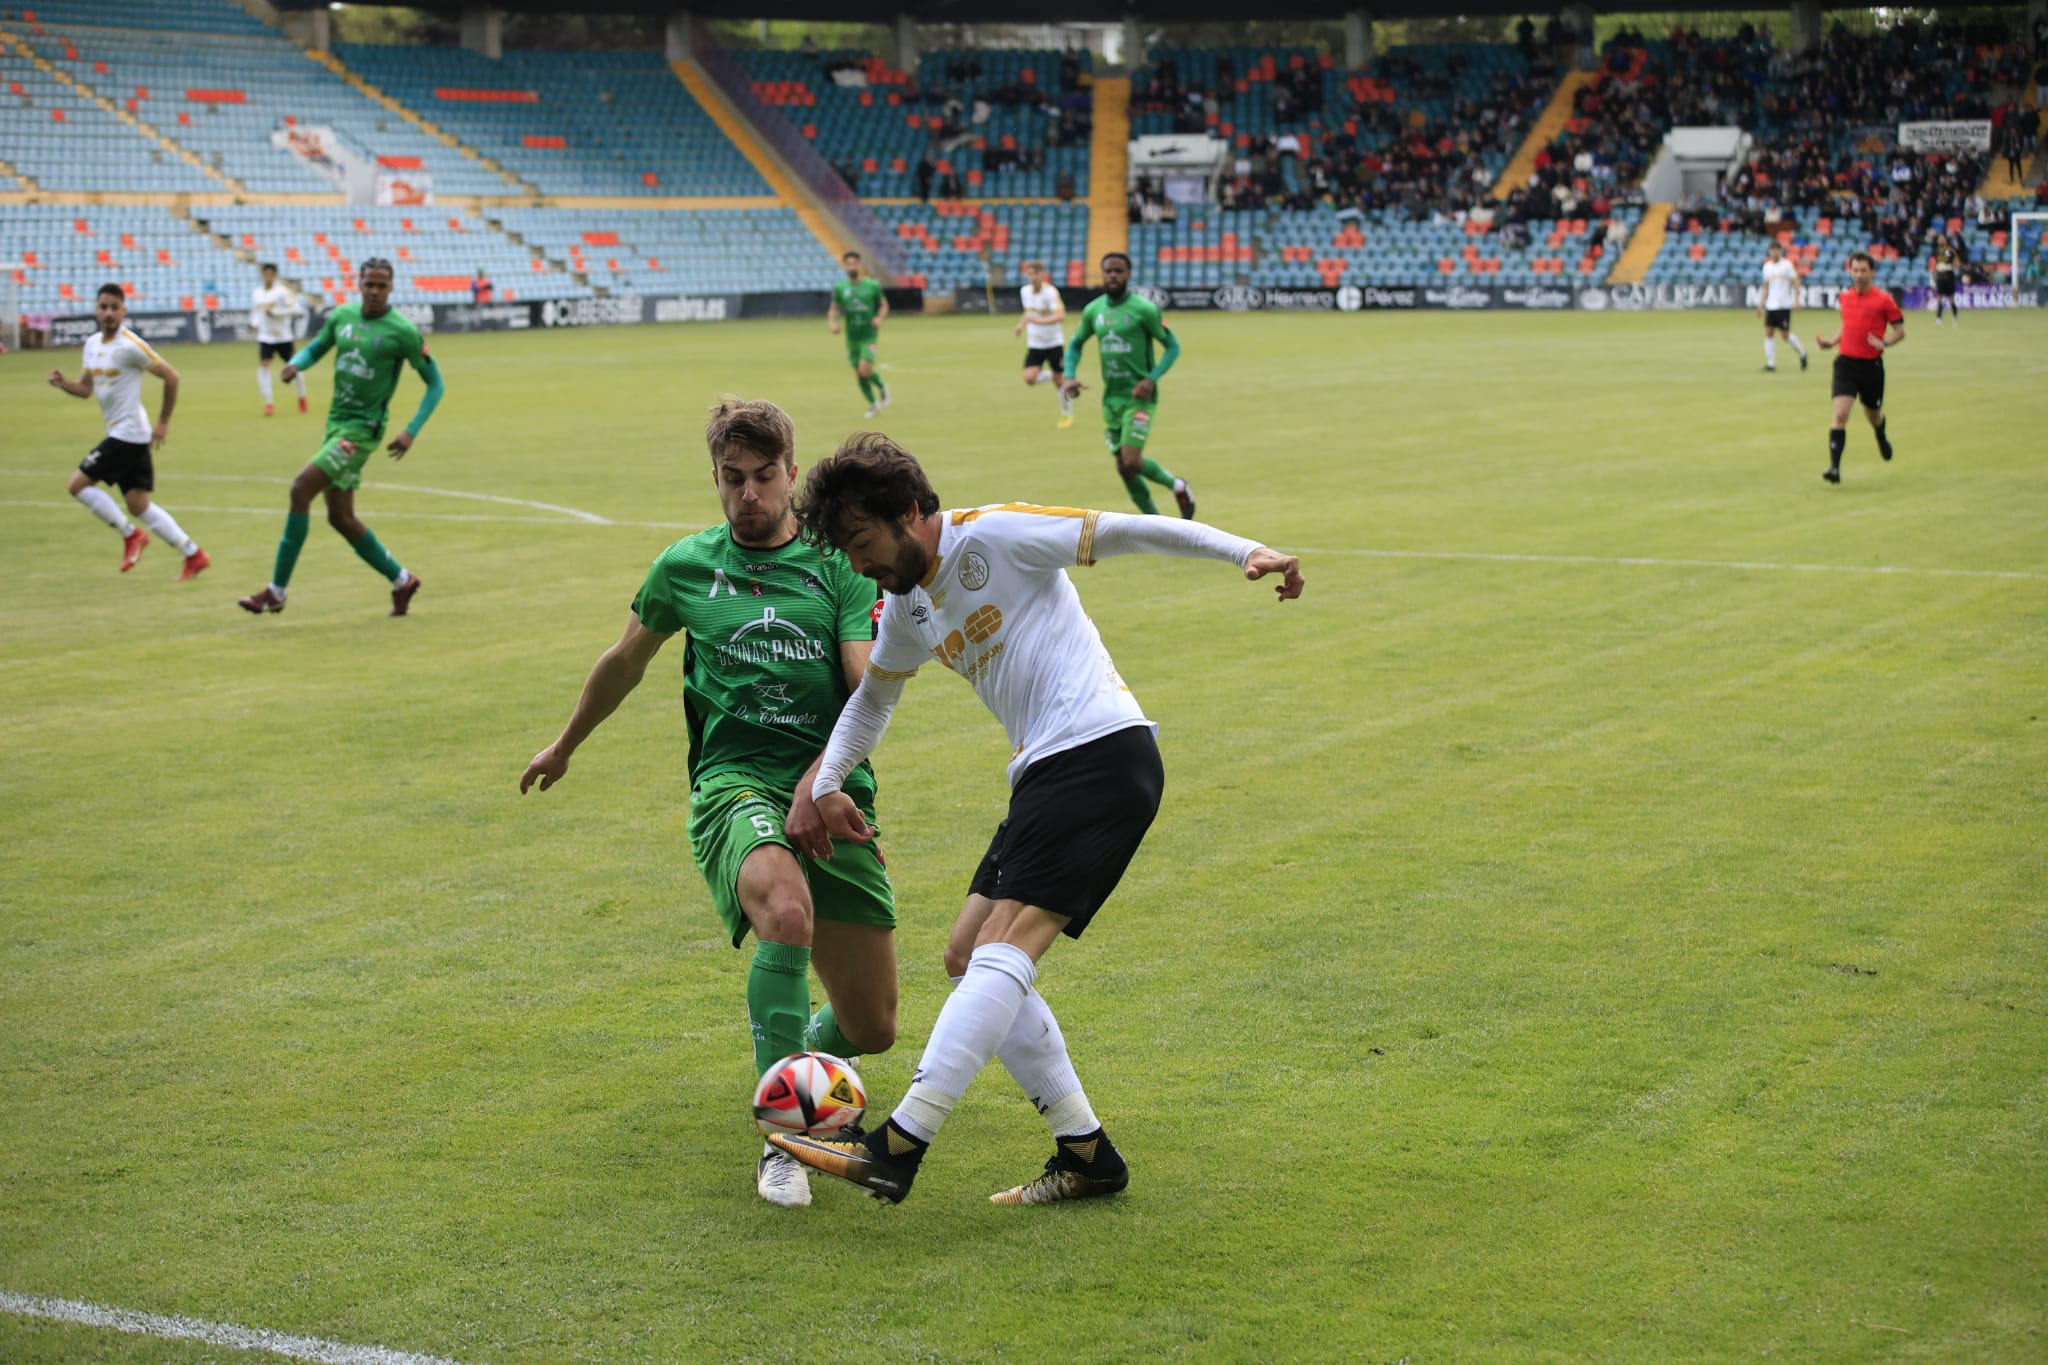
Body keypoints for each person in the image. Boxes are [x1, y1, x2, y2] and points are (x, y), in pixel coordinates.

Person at [765, 435, 1302, 1206]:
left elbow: (1124, 529)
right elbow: (873, 700)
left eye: (861, 543)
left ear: (911, 513)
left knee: (1003, 946)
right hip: (1046, 773)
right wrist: (823, 785)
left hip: (1100, 751)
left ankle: (898, 1144)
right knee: (964, 954)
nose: (857, 566)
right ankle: (1087, 1153)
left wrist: (1244, 551)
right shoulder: (908, 604)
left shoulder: (995, 533)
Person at [522, 398, 898, 1209]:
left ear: (793, 475)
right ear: (716, 479)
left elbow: (865, 681)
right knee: (785, 909)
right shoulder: (685, 566)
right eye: (733, 479)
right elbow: (623, 661)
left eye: (766, 477)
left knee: (872, 1027)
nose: (750, 494)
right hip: (734, 785)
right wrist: (565, 744)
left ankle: (805, 1056)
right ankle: (787, 1136)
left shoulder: (837, 566)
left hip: (833, 788)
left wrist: (818, 783)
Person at [237, 258, 443, 616]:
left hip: (362, 433)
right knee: (341, 518)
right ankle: (402, 580)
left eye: (382, 285)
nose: (375, 291)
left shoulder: (402, 332)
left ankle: (276, 591)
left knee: (301, 488)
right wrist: (297, 363)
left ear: (391, 288)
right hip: (336, 426)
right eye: (369, 284)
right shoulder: (342, 317)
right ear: (359, 284)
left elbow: (435, 384)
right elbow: (318, 347)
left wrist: (411, 431)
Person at [48, 284, 210, 579]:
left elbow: (172, 376)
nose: (108, 313)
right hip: (127, 435)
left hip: (128, 434)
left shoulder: (130, 345)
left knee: (77, 485)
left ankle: (130, 535)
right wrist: (64, 384)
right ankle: (194, 554)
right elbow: (85, 389)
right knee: (138, 505)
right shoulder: (92, 344)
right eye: (103, 307)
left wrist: (163, 422)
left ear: (124, 311)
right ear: (96, 310)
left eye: (114, 307)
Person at [1060, 252, 1193, 518]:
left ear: (1128, 274)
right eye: (1108, 271)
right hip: (1112, 399)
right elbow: (1075, 344)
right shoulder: (1094, 310)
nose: (1113, 276)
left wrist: (1150, 379)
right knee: (1123, 467)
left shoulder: (1144, 309)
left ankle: (1177, 486)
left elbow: (1172, 347)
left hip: (1139, 396)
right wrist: (1069, 375)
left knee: (1131, 460)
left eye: (1119, 271)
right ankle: (1155, 522)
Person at [1815, 250, 1904, 485]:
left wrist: (1884, 342)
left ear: (1872, 272)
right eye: (1855, 270)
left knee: (1873, 415)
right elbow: (1847, 325)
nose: (1859, 275)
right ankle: (1834, 468)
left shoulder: (1884, 300)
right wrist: (1832, 342)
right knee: (1840, 414)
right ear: (1849, 271)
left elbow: (1900, 331)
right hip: (1846, 363)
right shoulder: (1845, 297)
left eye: (1863, 270)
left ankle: (1880, 435)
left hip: (1871, 366)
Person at [827, 251, 890, 417]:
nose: (852, 266)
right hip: (852, 337)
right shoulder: (841, 288)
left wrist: (879, 319)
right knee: (859, 373)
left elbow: (884, 305)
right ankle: (873, 404)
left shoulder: (872, 285)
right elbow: (834, 308)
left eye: (854, 263)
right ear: (845, 266)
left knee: (864, 370)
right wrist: (832, 323)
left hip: (868, 335)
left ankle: (882, 386)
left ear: (860, 265)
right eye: (848, 263)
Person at [1014, 259, 1074, 428]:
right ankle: (1051, 375)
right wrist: (1021, 325)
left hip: (1053, 343)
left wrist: (1037, 321)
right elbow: (1028, 313)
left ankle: (1067, 414)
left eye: (1035, 274)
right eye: (1029, 274)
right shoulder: (1024, 291)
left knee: (1060, 382)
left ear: (1042, 274)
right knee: (1029, 378)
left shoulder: (1050, 292)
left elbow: (1061, 316)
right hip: (1035, 344)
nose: (1032, 277)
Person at [251, 262, 307, 416]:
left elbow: (297, 310)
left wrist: (276, 312)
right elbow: (256, 311)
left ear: (275, 275)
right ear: (262, 275)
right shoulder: (257, 293)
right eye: (265, 274)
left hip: (283, 337)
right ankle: (269, 403)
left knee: (294, 368)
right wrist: (254, 323)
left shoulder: (283, 292)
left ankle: (301, 397)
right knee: (264, 365)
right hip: (265, 337)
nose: (268, 277)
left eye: (271, 274)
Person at [1756, 240, 1808, 372]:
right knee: (1769, 332)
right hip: (1770, 305)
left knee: (1784, 335)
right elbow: (1766, 287)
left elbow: (1795, 282)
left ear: (1780, 251)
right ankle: (1771, 364)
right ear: (1769, 251)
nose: (1774, 252)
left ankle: (1802, 352)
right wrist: (1761, 304)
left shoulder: (1787, 265)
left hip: (1784, 304)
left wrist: (1796, 300)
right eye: (1772, 250)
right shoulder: (1766, 267)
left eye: (1776, 250)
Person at [1929, 232, 1961, 325]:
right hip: (1940, 277)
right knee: (1939, 298)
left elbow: (1957, 263)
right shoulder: (1936, 251)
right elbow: (1932, 264)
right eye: (1939, 238)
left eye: (1941, 238)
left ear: (1945, 239)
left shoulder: (1951, 250)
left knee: (1951, 299)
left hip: (1949, 277)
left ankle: (1955, 318)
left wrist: (1948, 266)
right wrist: (1933, 274)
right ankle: (1939, 319)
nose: (1940, 240)